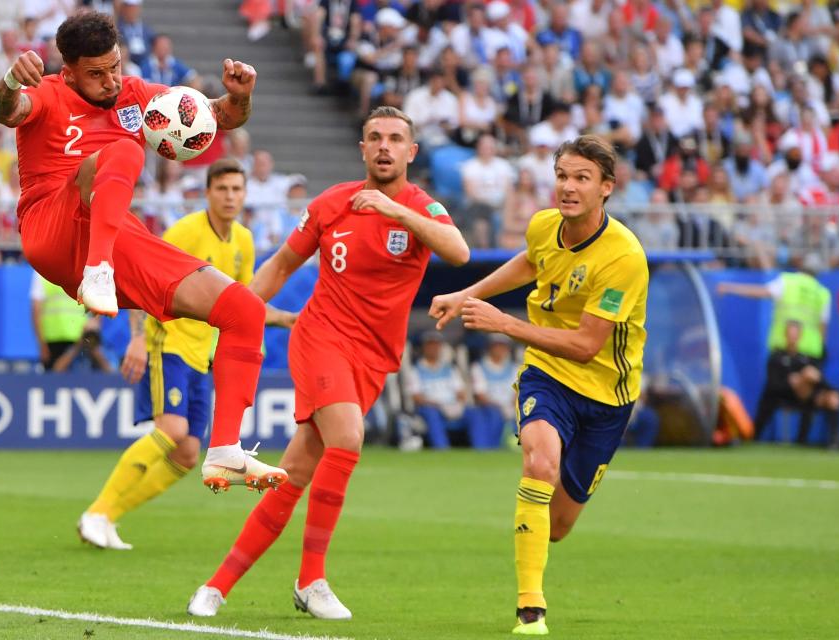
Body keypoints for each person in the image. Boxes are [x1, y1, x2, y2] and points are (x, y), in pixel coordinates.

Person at [186, 106, 469, 619]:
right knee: (348, 439)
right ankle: (311, 580)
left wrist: (398, 212)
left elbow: (459, 252)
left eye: (395, 139)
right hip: (320, 337)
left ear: (411, 151)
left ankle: (217, 584)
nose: (384, 147)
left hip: (373, 357)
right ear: (362, 148)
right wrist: (237, 313)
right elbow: (281, 265)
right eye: (375, 138)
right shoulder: (331, 204)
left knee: (295, 471)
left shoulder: (422, 208)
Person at [0, 11, 286, 492]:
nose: (111, 81)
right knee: (124, 151)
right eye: (96, 73)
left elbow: (216, 117)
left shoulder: (135, 95)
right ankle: (97, 270)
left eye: (115, 67)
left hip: (116, 233)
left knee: (243, 310)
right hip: (52, 228)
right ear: (69, 72)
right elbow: (6, 111)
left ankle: (225, 450)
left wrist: (239, 97)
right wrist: (7, 80)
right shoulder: (48, 92)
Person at [429, 135, 648, 635]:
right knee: (539, 463)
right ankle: (531, 608)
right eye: (563, 176)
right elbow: (530, 261)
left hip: (607, 395)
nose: (568, 188)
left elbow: (588, 345)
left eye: (581, 179)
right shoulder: (544, 225)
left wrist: (504, 323)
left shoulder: (623, 258)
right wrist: (467, 292)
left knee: (560, 526)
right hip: (547, 374)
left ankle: (535, 551)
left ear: (606, 188)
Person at [77, 159, 299, 550]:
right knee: (173, 430)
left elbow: (244, 304)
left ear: (246, 195)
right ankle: (96, 511)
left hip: (202, 353)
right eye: (222, 189)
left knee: (187, 455)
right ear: (207, 193)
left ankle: (108, 518)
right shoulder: (185, 231)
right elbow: (141, 274)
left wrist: (288, 319)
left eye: (236, 190)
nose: (230, 197)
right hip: (169, 340)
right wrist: (137, 339)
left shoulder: (243, 242)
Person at [717, 253, 831, 362]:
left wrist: (730, 288)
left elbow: (760, 292)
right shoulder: (823, 293)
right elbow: (823, 329)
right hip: (811, 351)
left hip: (782, 348)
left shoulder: (787, 281)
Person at [753, 320, 839, 445]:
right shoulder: (776, 357)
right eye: (790, 333)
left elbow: (817, 380)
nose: (793, 336)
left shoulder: (805, 359)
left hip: (806, 397)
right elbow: (773, 384)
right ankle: (754, 436)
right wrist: (790, 382)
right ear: (785, 335)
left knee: (832, 398)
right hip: (781, 395)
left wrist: (803, 379)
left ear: (800, 336)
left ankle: (834, 442)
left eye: (795, 333)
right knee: (807, 374)